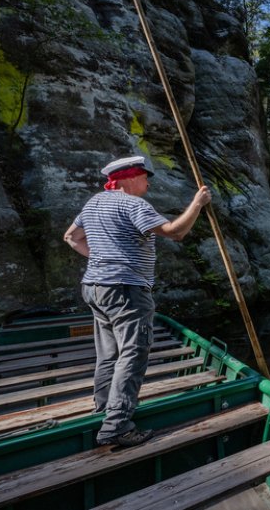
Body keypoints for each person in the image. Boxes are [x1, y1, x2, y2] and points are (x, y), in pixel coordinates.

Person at [63, 156, 211, 447]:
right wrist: (198, 203)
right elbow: (176, 232)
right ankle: (117, 426)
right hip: (126, 291)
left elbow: (71, 237)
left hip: (94, 287)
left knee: (109, 354)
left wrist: (103, 259)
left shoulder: (93, 203)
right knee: (133, 353)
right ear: (130, 178)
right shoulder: (133, 204)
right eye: (145, 176)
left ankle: (104, 408)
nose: (148, 182)